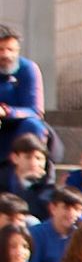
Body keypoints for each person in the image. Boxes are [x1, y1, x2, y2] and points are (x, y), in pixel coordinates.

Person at [0, 24, 54, 162]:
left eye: (11, 50)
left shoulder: (28, 69)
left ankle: (32, 172)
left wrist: (6, 112)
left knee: (33, 124)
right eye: (0, 50)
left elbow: (35, 111)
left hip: (19, 130)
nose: (6, 55)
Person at [32, 185, 82, 262]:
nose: (71, 214)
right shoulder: (36, 233)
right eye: (66, 208)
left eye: (76, 209)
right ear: (53, 208)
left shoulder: (80, 234)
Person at [5, 132, 55, 221]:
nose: (34, 163)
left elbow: (39, 212)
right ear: (15, 158)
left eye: (39, 159)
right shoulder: (3, 179)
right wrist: (22, 182)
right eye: (28, 157)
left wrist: (28, 183)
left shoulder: (47, 184)